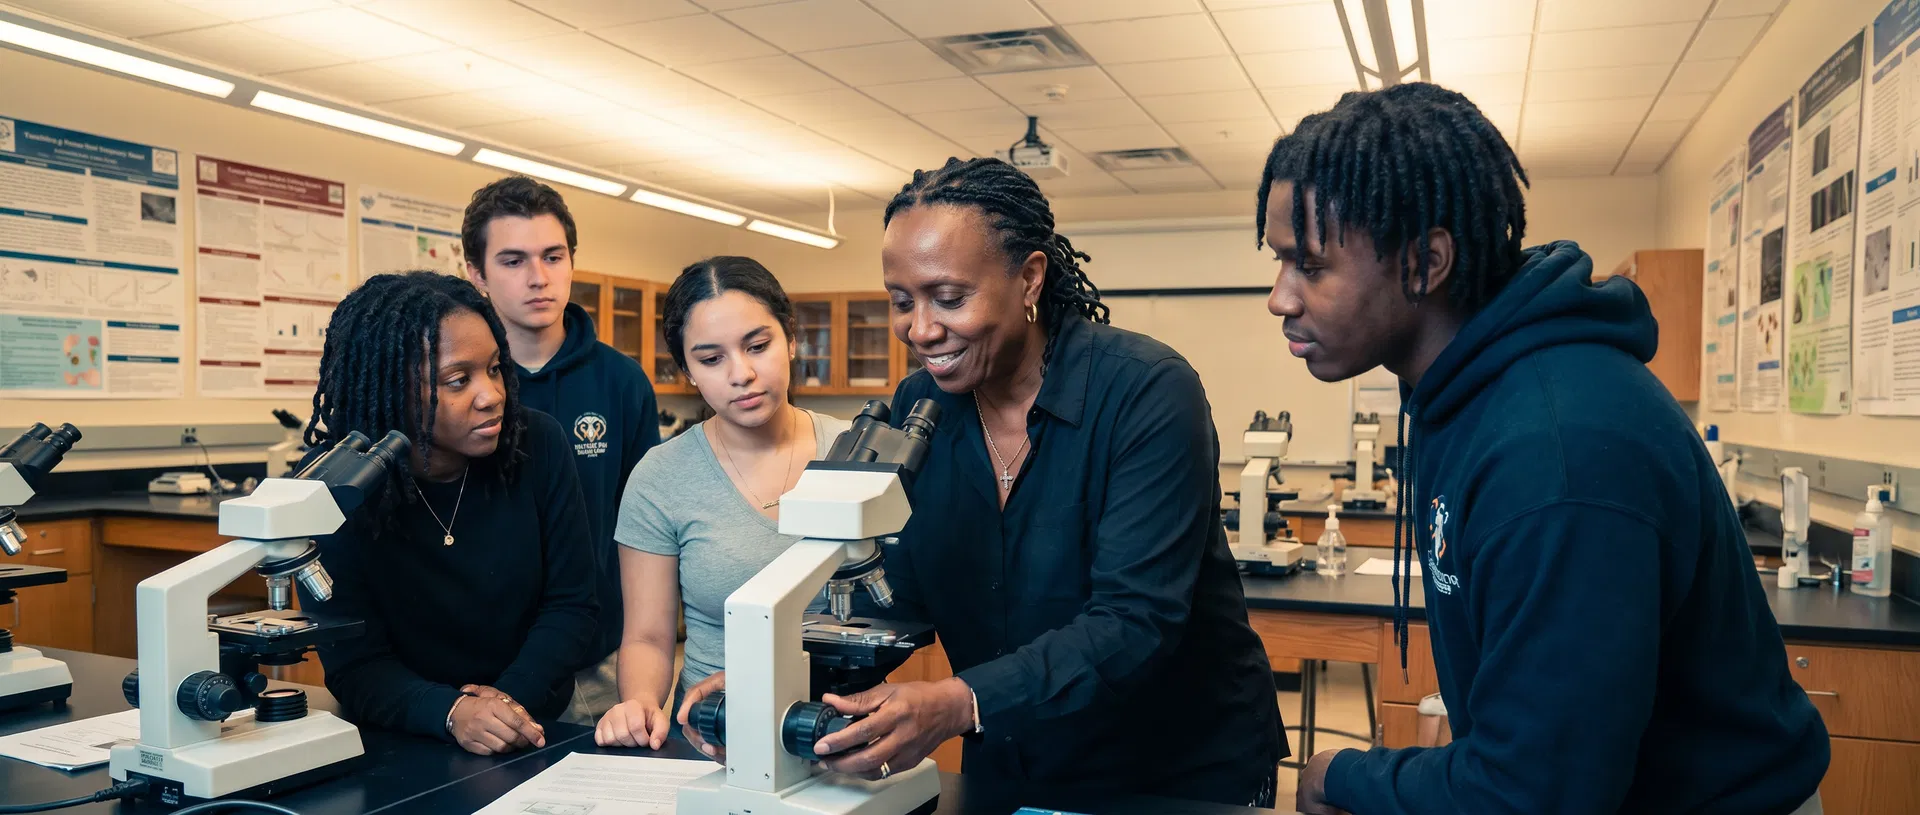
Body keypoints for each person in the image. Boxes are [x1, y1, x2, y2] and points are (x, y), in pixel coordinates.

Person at [1261, 84, 1829, 815]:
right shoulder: (1458, 394)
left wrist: (1341, 774)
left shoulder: (1557, 453)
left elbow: (1537, 794)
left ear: (1426, 261)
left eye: (1309, 265)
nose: (1280, 297)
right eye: (1280, 262)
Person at [679, 158, 1286, 807]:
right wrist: (770, 680)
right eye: (901, 301)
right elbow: (899, 591)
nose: (921, 329)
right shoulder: (922, 406)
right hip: (1011, 759)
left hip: (1172, 770)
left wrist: (959, 700)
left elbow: (1134, 622)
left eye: (949, 297)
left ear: (1029, 278)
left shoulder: (1146, 392)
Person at [299, 271, 600, 757]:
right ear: (393, 389)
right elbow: (355, 661)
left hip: (530, 721)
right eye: (458, 380)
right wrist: (451, 712)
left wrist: (506, 704)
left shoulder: (537, 444)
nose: (492, 395)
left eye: (496, 368)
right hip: (398, 736)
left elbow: (571, 604)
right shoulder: (337, 486)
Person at [593, 257, 847, 750]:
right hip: (718, 736)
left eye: (758, 346)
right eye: (711, 359)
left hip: (846, 726)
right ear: (687, 370)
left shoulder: (857, 453)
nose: (742, 373)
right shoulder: (660, 478)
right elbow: (648, 636)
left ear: (791, 338)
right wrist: (641, 704)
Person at [462, 176, 659, 725]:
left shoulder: (622, 382)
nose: (538, 277)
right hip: (479, 672)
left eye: (553, 255)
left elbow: (646, 530)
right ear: (476, 274)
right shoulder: (456, 387)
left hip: (595, 669)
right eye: (513, 260)